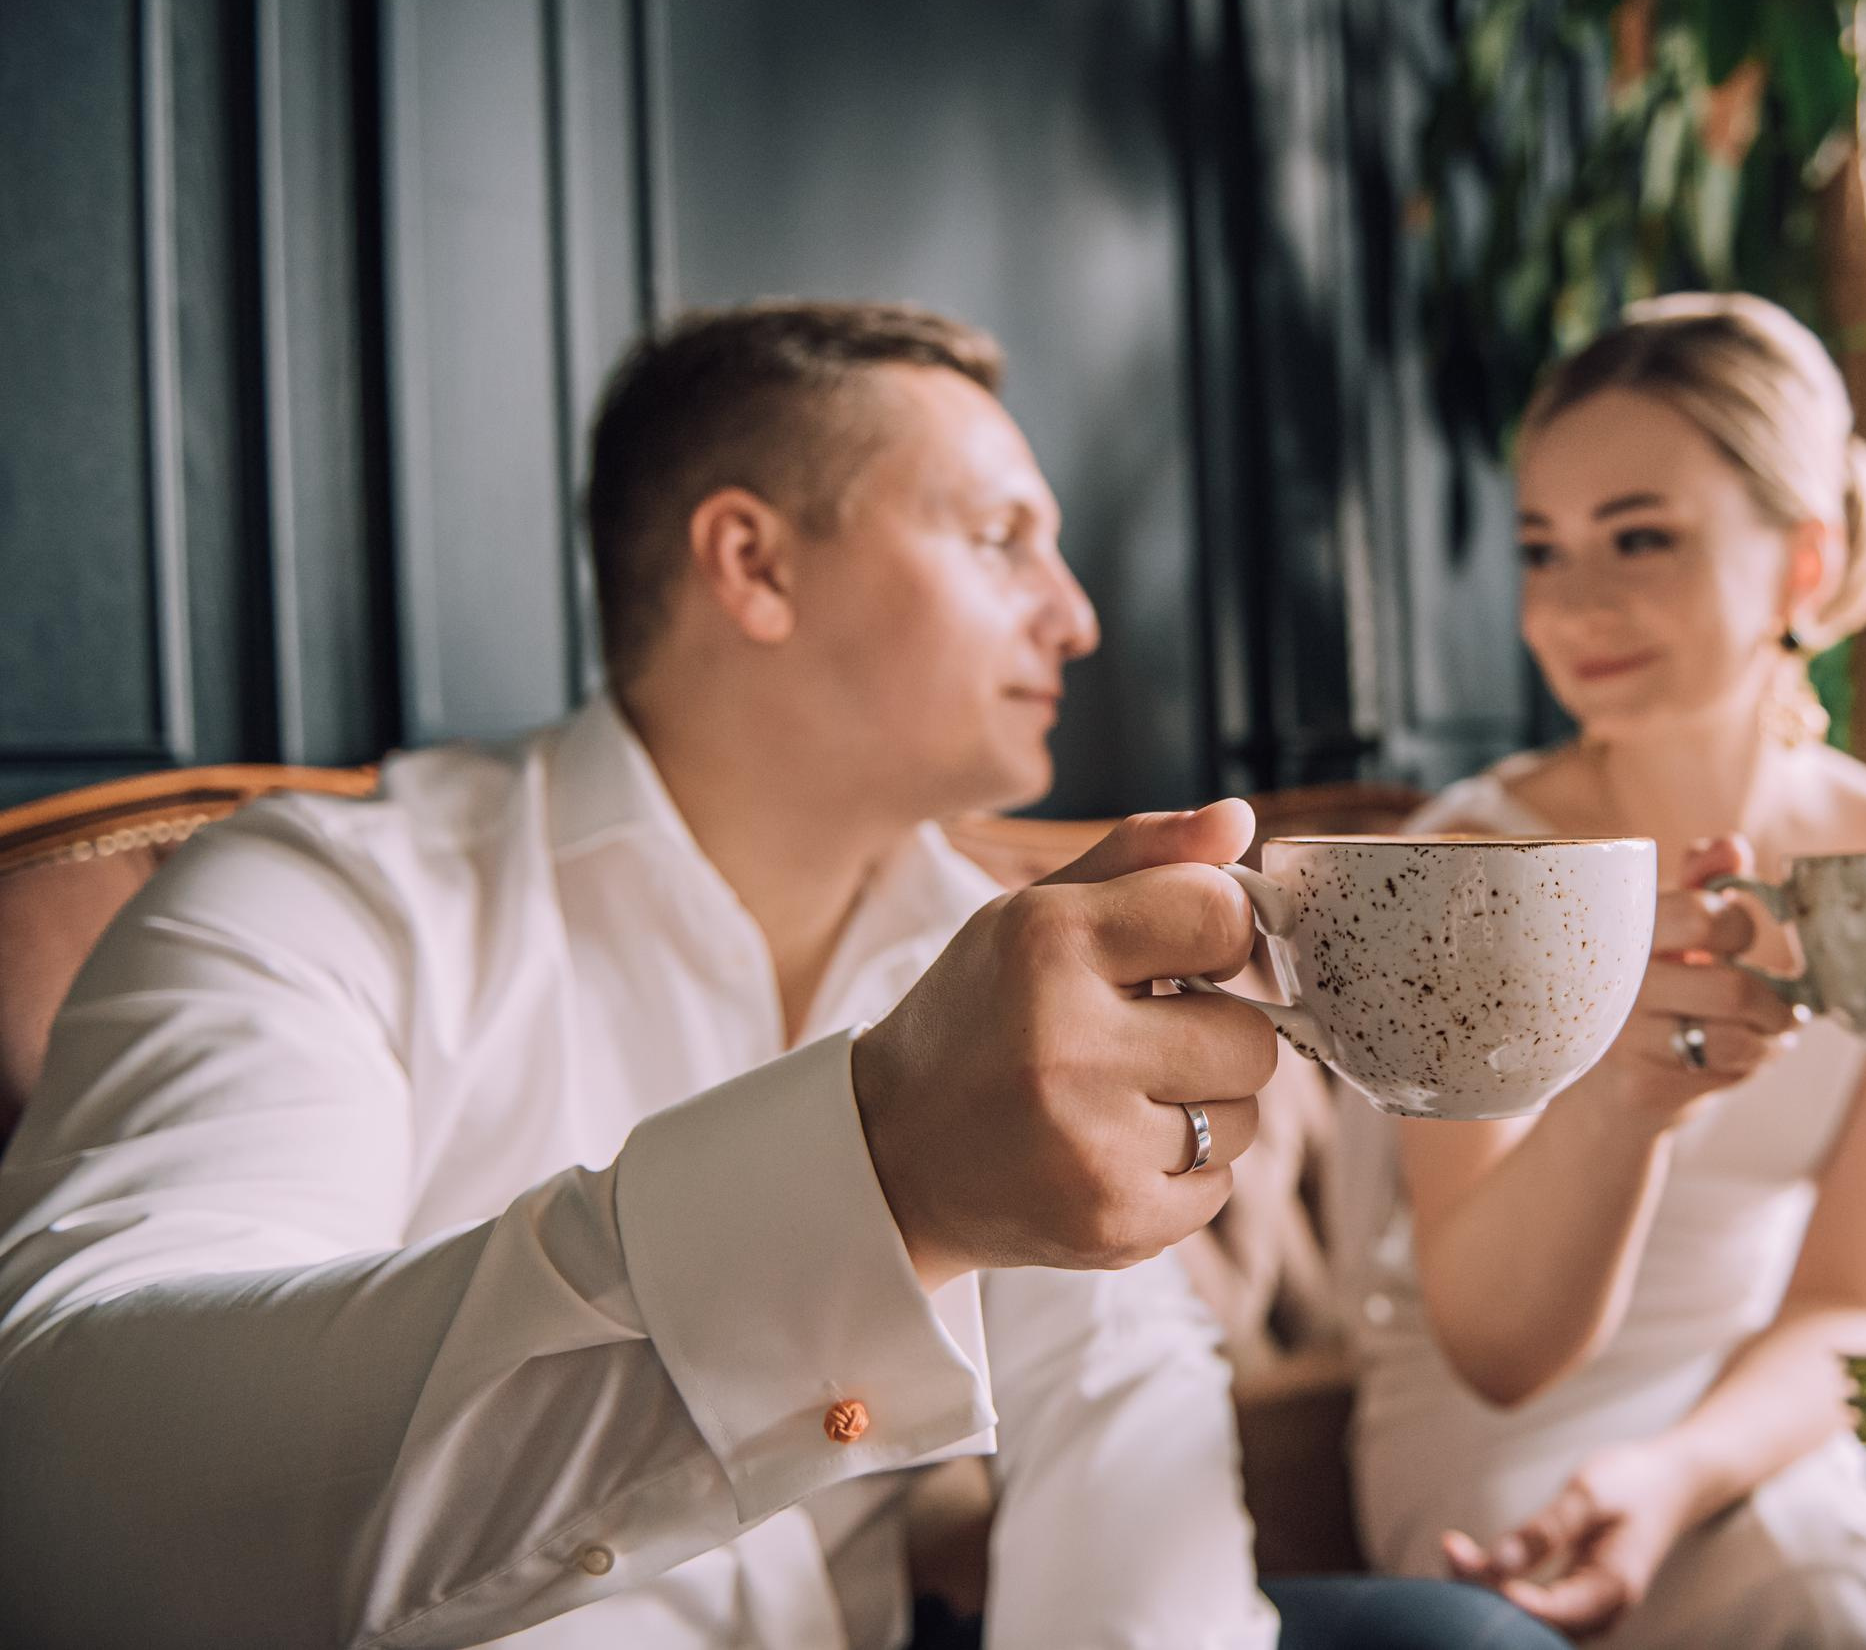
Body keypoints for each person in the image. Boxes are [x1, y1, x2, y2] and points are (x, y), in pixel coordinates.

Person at [0, 302, 1564, 1650]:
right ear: (751, 563)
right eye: (1002, 536)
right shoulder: (316, 901)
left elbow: (1116, 1417)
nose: (1078, 617)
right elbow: (71, 1497)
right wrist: (874, 1174)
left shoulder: (1002, 946)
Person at [1333, 294, 1866, 1648]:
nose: (1572, 604)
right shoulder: (1468, 870)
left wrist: (1682, 1467)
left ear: (1806, 563)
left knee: (1828, 1583)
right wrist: (1626, 1099)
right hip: (1504, 1410)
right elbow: (1497, 1348)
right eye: (1541, 549)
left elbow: (1859, 1296)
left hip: (1784, 1381)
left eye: (1641, 537)